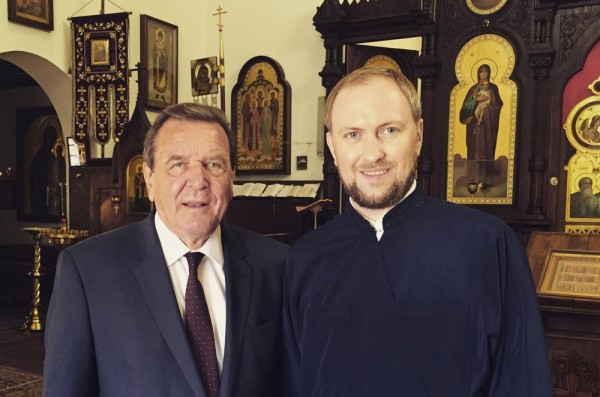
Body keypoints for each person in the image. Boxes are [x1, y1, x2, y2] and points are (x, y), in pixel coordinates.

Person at [281, 67, 552, 396]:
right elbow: (294, 382)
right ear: (333, 147)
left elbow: (522, 379)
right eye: (352, 134)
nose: (372, 154)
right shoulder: (307, 256)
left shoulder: (486, 243)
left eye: (389, 130)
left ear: (419, 135)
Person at [43, 103, 289, 397]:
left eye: (214, 164)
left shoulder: (277, 264)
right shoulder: (87, 271)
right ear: (149, 178)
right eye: (177, 165)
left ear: (231, 177)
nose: (198, 182)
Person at [459, 63, 503, 182]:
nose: (483, 74)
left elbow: (498, 104)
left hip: (488, 125)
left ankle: (487, 176)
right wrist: (475, 101)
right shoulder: (473, 89)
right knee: (475, 148)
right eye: (481, 71)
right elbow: (464, 109)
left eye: (486, 71)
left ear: (489, 73)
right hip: (475, 125)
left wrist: (488, 107)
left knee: (487, 146)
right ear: (477, 73)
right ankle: (473, 175)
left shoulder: (493, 88)